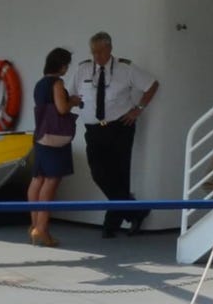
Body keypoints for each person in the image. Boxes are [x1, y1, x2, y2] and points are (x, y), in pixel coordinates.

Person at [66, 32, 159, 237]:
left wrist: (138, 108)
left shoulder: (125, 69)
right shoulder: (83, 69)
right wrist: (75, 104)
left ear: (109, 49)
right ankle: (136, 211)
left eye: (100, 51)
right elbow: (71, 94)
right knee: (99, 173)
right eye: (93, 52)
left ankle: (112, 223)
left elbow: (152, 84)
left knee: (120, 174)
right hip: (94, 129)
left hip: (119, 127)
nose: (97, 56)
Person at [26, 47, 79, 247]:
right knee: (51, 180)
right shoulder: (57, 83)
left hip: (40, 135)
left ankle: (34, 225)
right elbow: (62, 108)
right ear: (62, 65)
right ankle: (42, 228)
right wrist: (72, 100)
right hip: (55, 139)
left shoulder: (39, 85)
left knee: (37, 179)